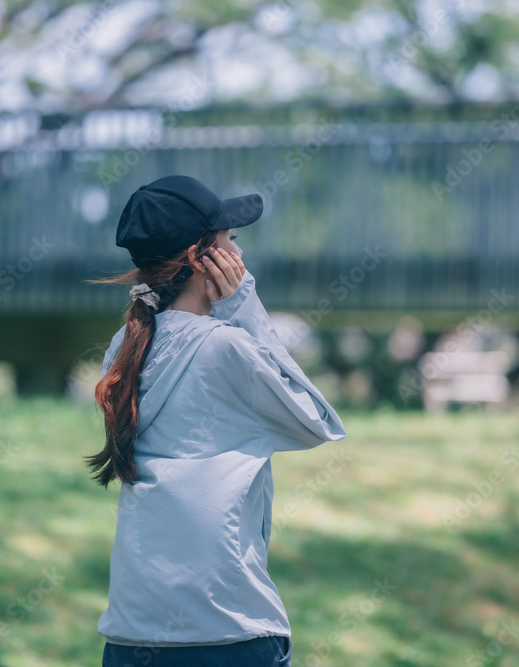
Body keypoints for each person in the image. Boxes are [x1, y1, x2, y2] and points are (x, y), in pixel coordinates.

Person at [88, 175, 347, 667]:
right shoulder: (225, 346)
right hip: (227, 630)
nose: (240, 251)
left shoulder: (122, 349)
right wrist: (244, 308)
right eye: (231, 238)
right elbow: (317, 422)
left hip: (130, 634)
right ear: (202, 257)